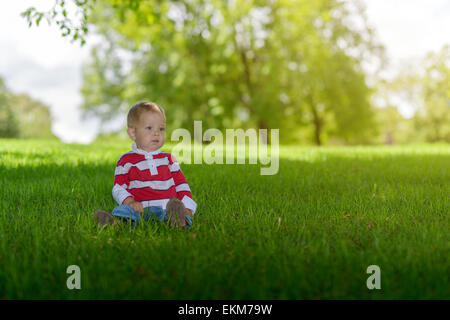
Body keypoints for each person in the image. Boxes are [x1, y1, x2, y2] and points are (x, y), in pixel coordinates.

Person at [94, 101, 197, 229]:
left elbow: (182, 186)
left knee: (176, 209)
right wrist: (130, 201)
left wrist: (188, 208)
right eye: (149, 128)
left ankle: (178, 221)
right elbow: (118, 187)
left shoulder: (168, 159)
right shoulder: (126, 160)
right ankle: (117, 224)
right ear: (133, 133)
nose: (156, 133)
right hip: (140, 209)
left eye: (161, 128)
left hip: (167, 207)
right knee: (124, 211)